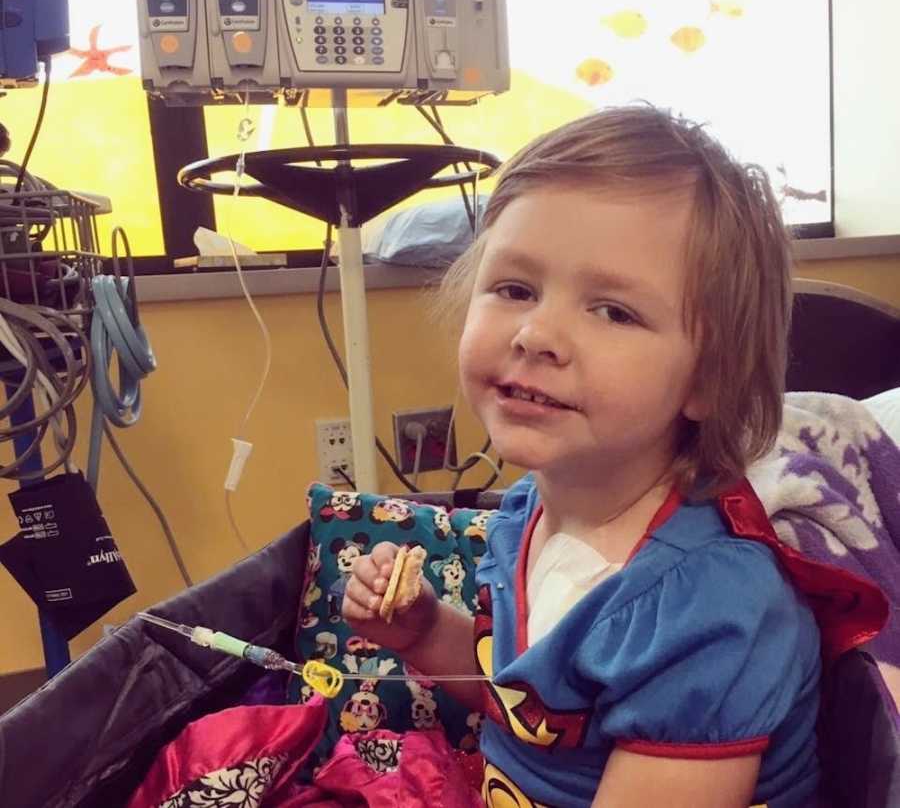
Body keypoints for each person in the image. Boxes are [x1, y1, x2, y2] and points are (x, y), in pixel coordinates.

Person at [342, 106, 883, 807]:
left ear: (708, 379)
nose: (538, 333)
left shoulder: (709, 614)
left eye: (614, 311)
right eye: (515, 289)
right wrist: (420, 632)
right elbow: (523, 701)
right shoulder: (528, 511)